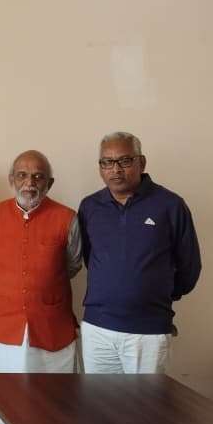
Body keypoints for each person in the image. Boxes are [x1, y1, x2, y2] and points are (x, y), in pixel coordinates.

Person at [78, 132, 202, 374]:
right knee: (99, 399)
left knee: (145, 399)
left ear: (141, 163)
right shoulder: (90, 206)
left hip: (148, 331)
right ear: (100, 167)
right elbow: (90, 258)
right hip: (97, 329)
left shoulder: (170, 205)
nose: (116, 169)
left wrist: (157, 294)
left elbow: (189, 266)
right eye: (107, 162)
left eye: (124, 161)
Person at [0, 151, 81, 373]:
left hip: (52, 329)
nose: (29, 183)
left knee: (53, 394)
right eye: (22, 175)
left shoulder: (67, 218)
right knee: (5, 394)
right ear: (11, 180)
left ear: (50, 183)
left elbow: (72, 264)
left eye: (38, 176)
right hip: (3, 330)